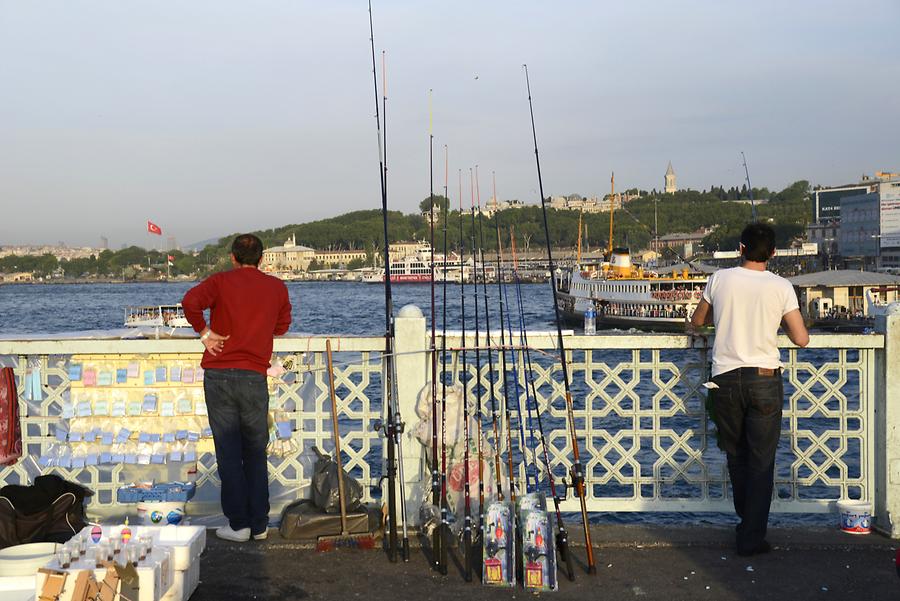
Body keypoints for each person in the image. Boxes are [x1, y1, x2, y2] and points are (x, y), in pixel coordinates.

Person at [690, 223, 809, 556]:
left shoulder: (719, 279)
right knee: (760, 461)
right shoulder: (782, 286)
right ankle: (751, 536)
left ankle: (747, 524)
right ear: (772, 253)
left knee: (736, 456)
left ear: (740, 249)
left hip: (725, 379)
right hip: (764, 380)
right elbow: (801, 338)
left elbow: (699, 321)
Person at [182, 234, 292, 542]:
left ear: (233, 257)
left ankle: (239, 523)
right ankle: (259, 524)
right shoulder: (276, 287)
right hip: (254, 376)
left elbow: (190, 302)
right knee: (255, 452)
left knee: (229, 453)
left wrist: (204, 332)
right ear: (262, 258)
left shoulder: (220, 282)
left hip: (219, 376)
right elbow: (282, 326)